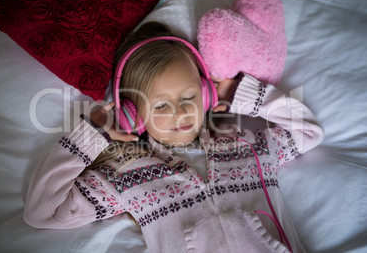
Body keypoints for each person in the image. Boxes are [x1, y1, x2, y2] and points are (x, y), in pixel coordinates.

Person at [24, 22, 324, 253]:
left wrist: (238, 95)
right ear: (133, 115)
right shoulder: (126, 175)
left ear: (206, 94)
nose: (180, 112)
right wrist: (92, 135)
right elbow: (44, 213)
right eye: (161, 105)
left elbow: (307, 131)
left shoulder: (246, 146)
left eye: (189, 96)